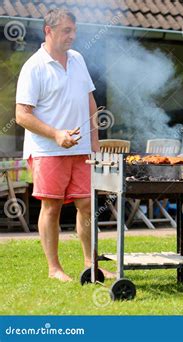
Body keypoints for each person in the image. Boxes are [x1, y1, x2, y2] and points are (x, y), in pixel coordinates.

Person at [15, 9, 112, 282]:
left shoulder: (78, 59)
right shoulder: (33, 67)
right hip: (48, 150)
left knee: (87, 204)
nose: (73, 36)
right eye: (66, 31)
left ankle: (92, 264)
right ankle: (54, 268)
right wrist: (56, 134)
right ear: (49, 30)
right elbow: (21, 115)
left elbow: (90, 101)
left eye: (74, 30)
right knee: (52, 207)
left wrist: (94, 143)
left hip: (82, 151)